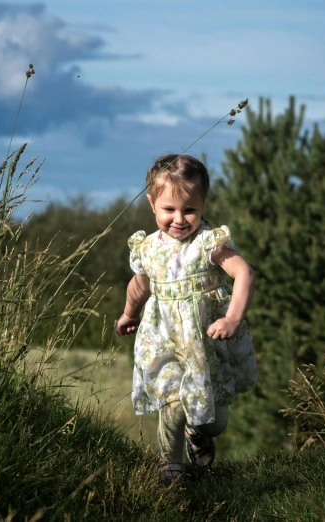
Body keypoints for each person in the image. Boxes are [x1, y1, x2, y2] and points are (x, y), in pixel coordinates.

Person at [115, 154, 258, 486]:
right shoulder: (147, 248)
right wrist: (128, 313)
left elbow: (244, 274)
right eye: (169, 209)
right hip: (164, 338)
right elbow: (140, 284)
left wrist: (232, 319)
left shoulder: (209, 242)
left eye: (189, 210)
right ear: (152, 204)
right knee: (173, 401)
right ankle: (170, 467)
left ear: (202, 204)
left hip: (206, 342)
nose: (179, 219)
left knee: (214, 422)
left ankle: (199, 432)